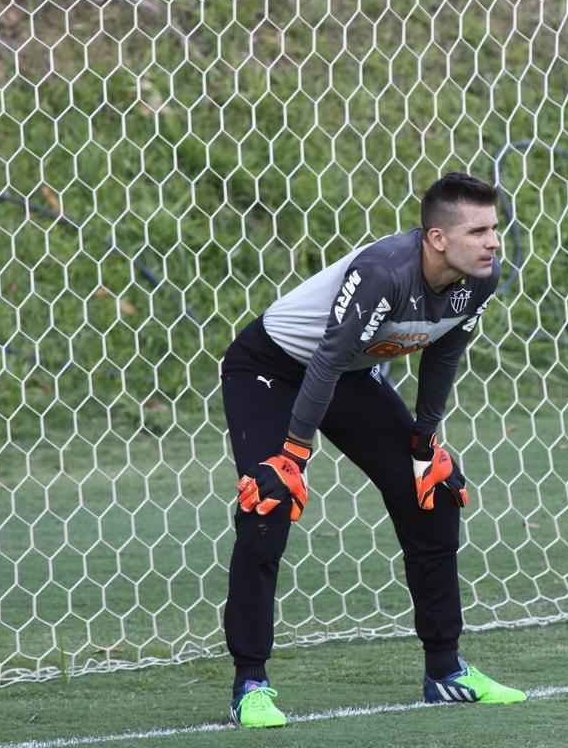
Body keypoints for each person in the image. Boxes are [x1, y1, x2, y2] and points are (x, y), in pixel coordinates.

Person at [219, 172, 526, 728]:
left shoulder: (479, 277)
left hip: (347, 376)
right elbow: (326, 361)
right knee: (268, 503)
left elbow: (444, 354)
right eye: (479, 230)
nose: (493, 241)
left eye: (495, 229)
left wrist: (424, 441)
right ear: (437, 239)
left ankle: (446, 672)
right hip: (270, 370)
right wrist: (292, 453)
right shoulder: (383, 272)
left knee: (432, 494)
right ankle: (250, 684)